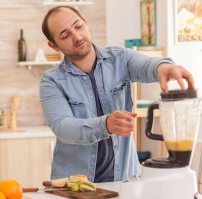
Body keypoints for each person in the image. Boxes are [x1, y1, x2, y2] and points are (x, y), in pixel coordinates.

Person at [40, 6, 195, 182]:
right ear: (54, 45)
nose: (77, 36)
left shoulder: (120, 58)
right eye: (65, 35)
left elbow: (147, 65)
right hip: (73, 187)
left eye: (78, 26)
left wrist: (165, 67)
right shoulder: (51, 81)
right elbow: (62, 127)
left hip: (125, 181)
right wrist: (105, 124)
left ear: (85, 22)